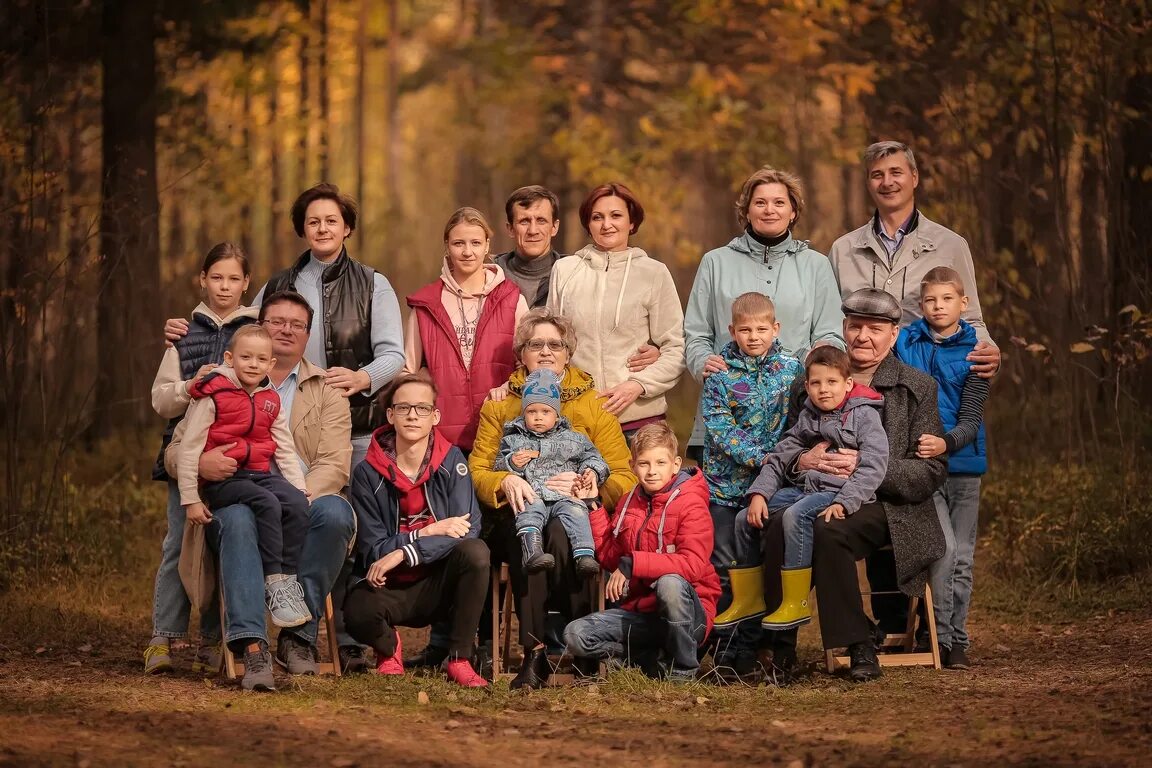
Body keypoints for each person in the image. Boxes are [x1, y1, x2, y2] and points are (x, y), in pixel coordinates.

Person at [749, 288, 948, 684]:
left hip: (888, 505)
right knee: (777, 523)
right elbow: (790, 448)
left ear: (894, 334)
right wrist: (801, 462)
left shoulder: (915, 387)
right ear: (844, 328)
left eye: (875, 329)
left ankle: (858, 645)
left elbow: (931, 470)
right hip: (817, 491)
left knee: (829, 529)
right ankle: (779, 646)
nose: (863, 336)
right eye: (855, 326)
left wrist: (871, 468)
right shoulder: (811, 383)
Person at [166, 290, 356, 691]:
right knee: (238, 520)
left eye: (297, 324)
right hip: (231, 493)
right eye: (277, 321)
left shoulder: (327, 389)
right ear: (258, 327)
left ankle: (298, 637)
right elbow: (176, 450)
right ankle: (252, 646)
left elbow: (335, 464)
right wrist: (201, 464)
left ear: (308, 335)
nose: (286, 330)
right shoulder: (217, 382)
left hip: (293, 495)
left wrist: (299, 494)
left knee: (336, 514)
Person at [165, 183, 406, 469]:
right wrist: (186, 333)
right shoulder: (277, 285)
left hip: (357, 427)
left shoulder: (372, 284)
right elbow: (238, 334)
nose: (322, 229)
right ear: (303, 229)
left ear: (347, 228)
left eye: (331, 221)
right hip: (283, 424)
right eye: (313, 222)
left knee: (343, 496)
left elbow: (394, 355)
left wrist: (362, 378)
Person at [460, 307, 635, 689]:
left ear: (568, 353)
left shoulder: (595, 405)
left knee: (561, 532)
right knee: (529, 536)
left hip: (575, 509)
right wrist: (505, 481)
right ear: (521, 354)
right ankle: (535, 653)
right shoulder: (500, 404)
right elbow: (478, 470)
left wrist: (593, 486)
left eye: (554, 345)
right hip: (518, 510)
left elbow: (624, 474)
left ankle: (582, 646)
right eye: (535, 344)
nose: (545, 351)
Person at [145, 242, 258, 675]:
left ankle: (212, 643)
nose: (225, 286)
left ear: (246, 283)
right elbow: (161, 400)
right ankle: (162, 637)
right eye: (217, 277)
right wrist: (192, 385)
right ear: (202, 279)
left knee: (219, 546)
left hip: (233, 458)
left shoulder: (255, 331)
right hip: (185, 454)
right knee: (177, 544)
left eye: (234, 279)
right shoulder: (183, 334)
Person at [719, 346, 889, 631]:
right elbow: (780, 457)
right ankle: (749, 598)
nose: (824, 390)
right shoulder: (808, 416)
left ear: (848, 384)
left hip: (837, 491)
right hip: (807, 488)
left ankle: (795, 601)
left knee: (795, 515)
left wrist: (845, 502)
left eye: (832, 382)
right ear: (807, 386)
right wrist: (759, 494)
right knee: (743, 518)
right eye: (816, 383)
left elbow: (875, 465)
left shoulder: (864, 415)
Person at [685, 166, 845, 458]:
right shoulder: (715, 262)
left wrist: (820, 354)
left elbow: (831, 333)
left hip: (796, 410)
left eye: (779, 202)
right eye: (760, 202)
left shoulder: (816, 266)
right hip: (726, 413)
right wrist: (702, 362)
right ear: (747, 211)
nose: (769, 210)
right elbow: (696, 333)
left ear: (793, 212)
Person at [343, 373, 490, 688]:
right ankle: (388, 649)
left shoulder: (453, 461)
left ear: (435, 416)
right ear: (390, 415)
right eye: (404, 407)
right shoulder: (367, 473)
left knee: (476, 554)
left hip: (439, 583)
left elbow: (467, 529)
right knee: (356, 610)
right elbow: (373, 548)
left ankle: (460, 659)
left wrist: (406, 551)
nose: (412, 415)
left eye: (422, 408)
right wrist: (425, 533)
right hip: (389, 584)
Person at [177, 324, 312, 629]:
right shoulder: (214, 395)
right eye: (246, 357)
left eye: (261, 359)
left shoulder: (270, 399)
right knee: (267, 502)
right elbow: (189, 448)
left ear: (271, 364)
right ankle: (272, 579)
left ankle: (285, 579)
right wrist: (191, 499)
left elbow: (285, 448)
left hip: (258, 474)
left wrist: (299, 487)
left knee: (295, 503)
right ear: (230, 358)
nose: (253, 364)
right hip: (223, 481)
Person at [827, 141, 1000, 379]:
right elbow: (830, 324)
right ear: (868, 183)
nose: (887, 182)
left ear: (915, 177)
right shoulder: (843, 250)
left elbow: (970, 318)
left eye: (896, 172)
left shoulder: (950, 246)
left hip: (930, 380)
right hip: (861, 382)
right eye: (877, 175)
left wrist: (988, 350)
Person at [697, 291, 802, 678]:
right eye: (745, 330)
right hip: (725, 488)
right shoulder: (719, 374)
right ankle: (727, 648)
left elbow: (800, 422)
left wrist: (782, 462)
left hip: (775, 487)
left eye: (761, 329)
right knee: (726, 566)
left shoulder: (792, 371)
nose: (754, 337)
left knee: (764, 563)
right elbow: (721, 429)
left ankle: (762, 645)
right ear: (732, 331)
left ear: (776, 328)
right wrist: (766, 457)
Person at [563, 423, 720, 682]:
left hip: (688, 615)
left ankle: (682, 671)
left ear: (676, 464)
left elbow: (692, 565)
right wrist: (593, 505)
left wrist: (632, 563)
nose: (652, 471)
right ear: (632, 465)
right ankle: (651, 661)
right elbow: (609, 556)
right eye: (644, 463)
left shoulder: (691, 503)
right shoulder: (628, 502)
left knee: (670, 584)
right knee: (575, 635)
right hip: (642, 615)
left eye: (660, 463)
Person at [895, 266, 989, 670]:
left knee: (963, 557)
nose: (938, 307)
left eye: (947, 299)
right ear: (921, 305)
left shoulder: (977, 353)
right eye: (930, 300)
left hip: (964, 466)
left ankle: (957, 642)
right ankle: (940, 637)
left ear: (963, 303)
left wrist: (944, 443)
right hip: (923, 468)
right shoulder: (905, 343)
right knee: (943, 551)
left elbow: (971, 419)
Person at [548, 182, 685, 436]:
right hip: (578, 421)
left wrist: (637, 385)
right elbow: (551, 343)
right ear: (588, 224)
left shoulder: (654, 273)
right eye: (597, 217)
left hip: (640, 421)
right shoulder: (565, 271)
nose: (606, 224)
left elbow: (676, 349)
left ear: (631, 222)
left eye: (616, 215)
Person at [404, 206, 528, 453]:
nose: (468, 252)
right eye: (458, 243)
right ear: (447, 246)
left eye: (475, 243)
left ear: (487, 245)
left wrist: (509, 387)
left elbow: (528, 366)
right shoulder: (426, 304)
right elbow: (408, 371)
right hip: (442, 439)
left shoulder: (512, 299)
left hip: (503, 433)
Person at [494, 368, 610, 576]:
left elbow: (594, 457)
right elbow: (498, 467)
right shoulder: (513, 439)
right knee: (527, 510)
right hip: (533, 494)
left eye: (545, 412)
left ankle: (584, 556)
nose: (538, 417)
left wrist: (591, 471)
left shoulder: (574, 438)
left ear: (556, 416)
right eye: (532, 412)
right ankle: (532, 552)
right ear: (524, 413)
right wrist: (512, 463)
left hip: (564, 496)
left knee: (577, 511)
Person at [493, 185, 565, 308]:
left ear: (554, 227)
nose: (533, 230)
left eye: (541, 220)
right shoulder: (491, 275)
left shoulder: (571, 274)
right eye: (524, 221)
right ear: (510, 229)